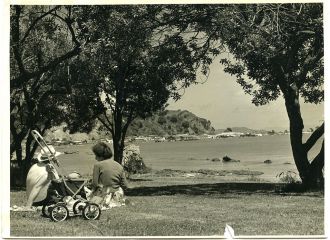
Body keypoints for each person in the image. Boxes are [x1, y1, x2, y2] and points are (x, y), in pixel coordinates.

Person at [90, 142, 129, 209]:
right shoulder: (119, 166)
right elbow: (125, 185)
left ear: (101, 155)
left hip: (103, 196)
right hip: (117, 197)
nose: (95, 158)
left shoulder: (98, 165)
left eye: (96, 155)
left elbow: (95, 184)